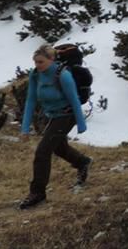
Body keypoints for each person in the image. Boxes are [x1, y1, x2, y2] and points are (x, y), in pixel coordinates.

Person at [18, 45, 91, 209]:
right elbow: (30, 100)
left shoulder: (63, 75)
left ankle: (37, 192)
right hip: (52, 115)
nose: (37, 65)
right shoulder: (35, 75)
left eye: (41, 62)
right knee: (58, 147)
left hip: (67, 115)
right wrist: (25, 129)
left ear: (51, 60)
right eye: (35, 62)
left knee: (43, 151)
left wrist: (81, 123)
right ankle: (83, 162)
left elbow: (74, 99)